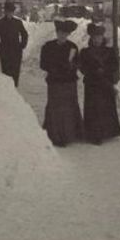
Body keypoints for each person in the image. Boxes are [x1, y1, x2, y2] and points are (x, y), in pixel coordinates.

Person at [78, 23, 120, 145]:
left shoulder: (109, 51)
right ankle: (94, 134)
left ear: (102, 37)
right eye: (94, 37)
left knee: (106, 108)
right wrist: (94, 71)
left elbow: (115, 66)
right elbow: (82, 67)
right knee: (93, 109)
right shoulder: (85, 52)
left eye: (98, 37)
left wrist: (106, 71)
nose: (96, 40)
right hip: (92, 85)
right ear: (91, 39)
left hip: (105, 84)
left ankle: (108, 131)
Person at [40, 19, 83, 147]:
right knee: (55, 109)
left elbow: (78, 63)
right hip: (55, 82)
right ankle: (55, 135)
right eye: (60, 33)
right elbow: (43, 64)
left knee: (69, 108)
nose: (62, 35)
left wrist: (71, 65)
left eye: (65, 33)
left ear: (68, 34)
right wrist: (54, 67)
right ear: (56, 32)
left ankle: (71, 134)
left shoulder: (73, 47)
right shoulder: (48, 47)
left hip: (69, 83)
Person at [0, 0, 29, 87]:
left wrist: (22, 45)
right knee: (6, 73)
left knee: (15, 72)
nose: (9, 13)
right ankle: (8, 91)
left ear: (13, 12)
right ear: (5, 11)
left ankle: (15, 88)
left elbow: (24, 34)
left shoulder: (18, 22)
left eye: (11, 11)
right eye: (8, 11)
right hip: (5, 52)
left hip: (16, 51)